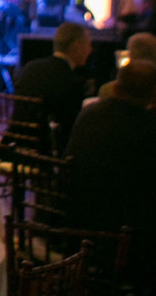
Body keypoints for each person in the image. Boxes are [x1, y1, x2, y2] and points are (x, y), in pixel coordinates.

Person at [67, 58, 156, 262]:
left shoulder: (88, 114)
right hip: (128, 237)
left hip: (78, 223)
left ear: (116, 87)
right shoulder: (149, 128)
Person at [13, 20, 93, 151]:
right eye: (88, 44)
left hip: (15, 143)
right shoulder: (71, 80)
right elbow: (70, 127)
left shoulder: (30, 68)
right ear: (77, 46)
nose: (90, 50)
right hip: (43, 151)